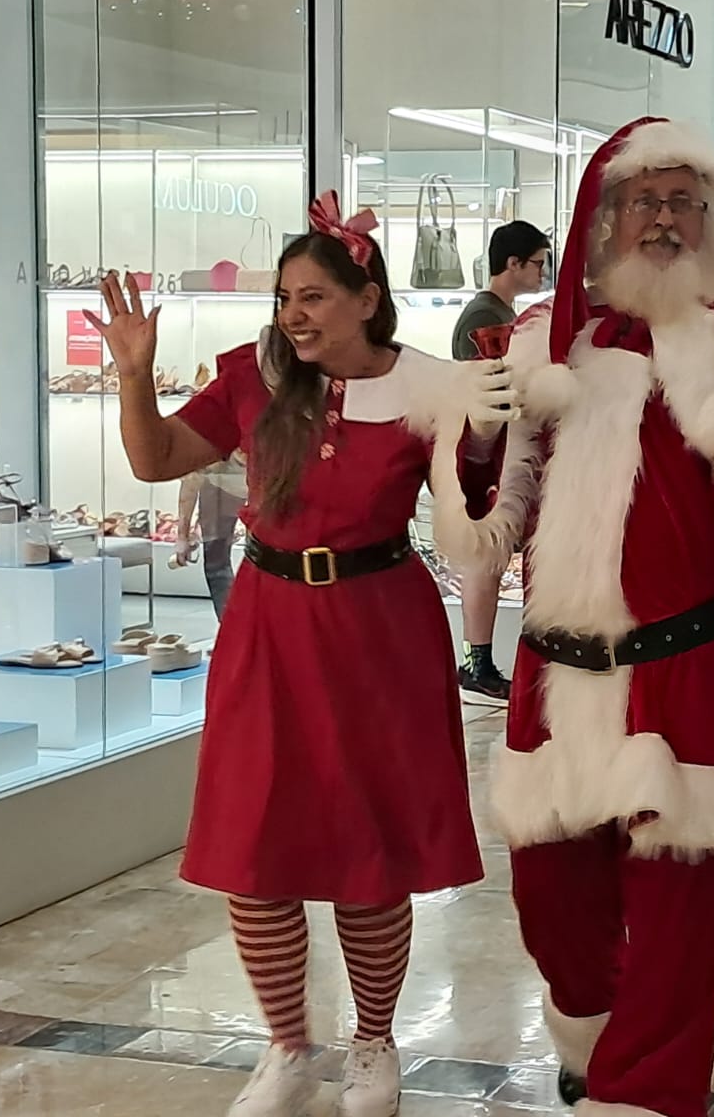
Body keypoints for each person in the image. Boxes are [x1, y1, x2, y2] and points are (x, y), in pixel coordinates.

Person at [430, 117, 714, 1117]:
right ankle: (594, 1037)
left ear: (708, 224)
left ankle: (648, 1093)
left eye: (682, 202)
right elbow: (485, 519)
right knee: (554, 905)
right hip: (558, 671)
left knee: (676, 918)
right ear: (607, 215)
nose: (662, 219)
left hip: (690, 667)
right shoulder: (544, 339)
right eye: (644, 200)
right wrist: (485, 437)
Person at [85, 193, 509, 1117]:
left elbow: (480, 500)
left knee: (369, 846)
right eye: (285, 297)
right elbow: (155, 460)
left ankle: (373, 1042)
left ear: (368, 297)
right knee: (254, 843)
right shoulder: (252, 378)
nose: (294, 314)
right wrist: (133, 373)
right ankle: (285, 1046)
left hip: (379, 628)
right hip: (269, 621)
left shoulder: (431, 387)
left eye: (314, 295)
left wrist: (489, 421)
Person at [447, 220, 551, 702]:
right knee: (485, 559)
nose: (542, 272)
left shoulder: (498, 312)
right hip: (492, 454)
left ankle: (481, 660)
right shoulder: (483, 319)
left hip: (502, 451)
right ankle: (478, 661)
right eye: (537, 263)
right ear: (513, 264)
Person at [172, 453, 247, 619]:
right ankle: (232, 628)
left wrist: (183, 536)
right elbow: (192, 481)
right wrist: (182, 536)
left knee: (265, 560)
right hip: (222, 481)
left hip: (264, 476)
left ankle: (241, 630)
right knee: (216, 563)